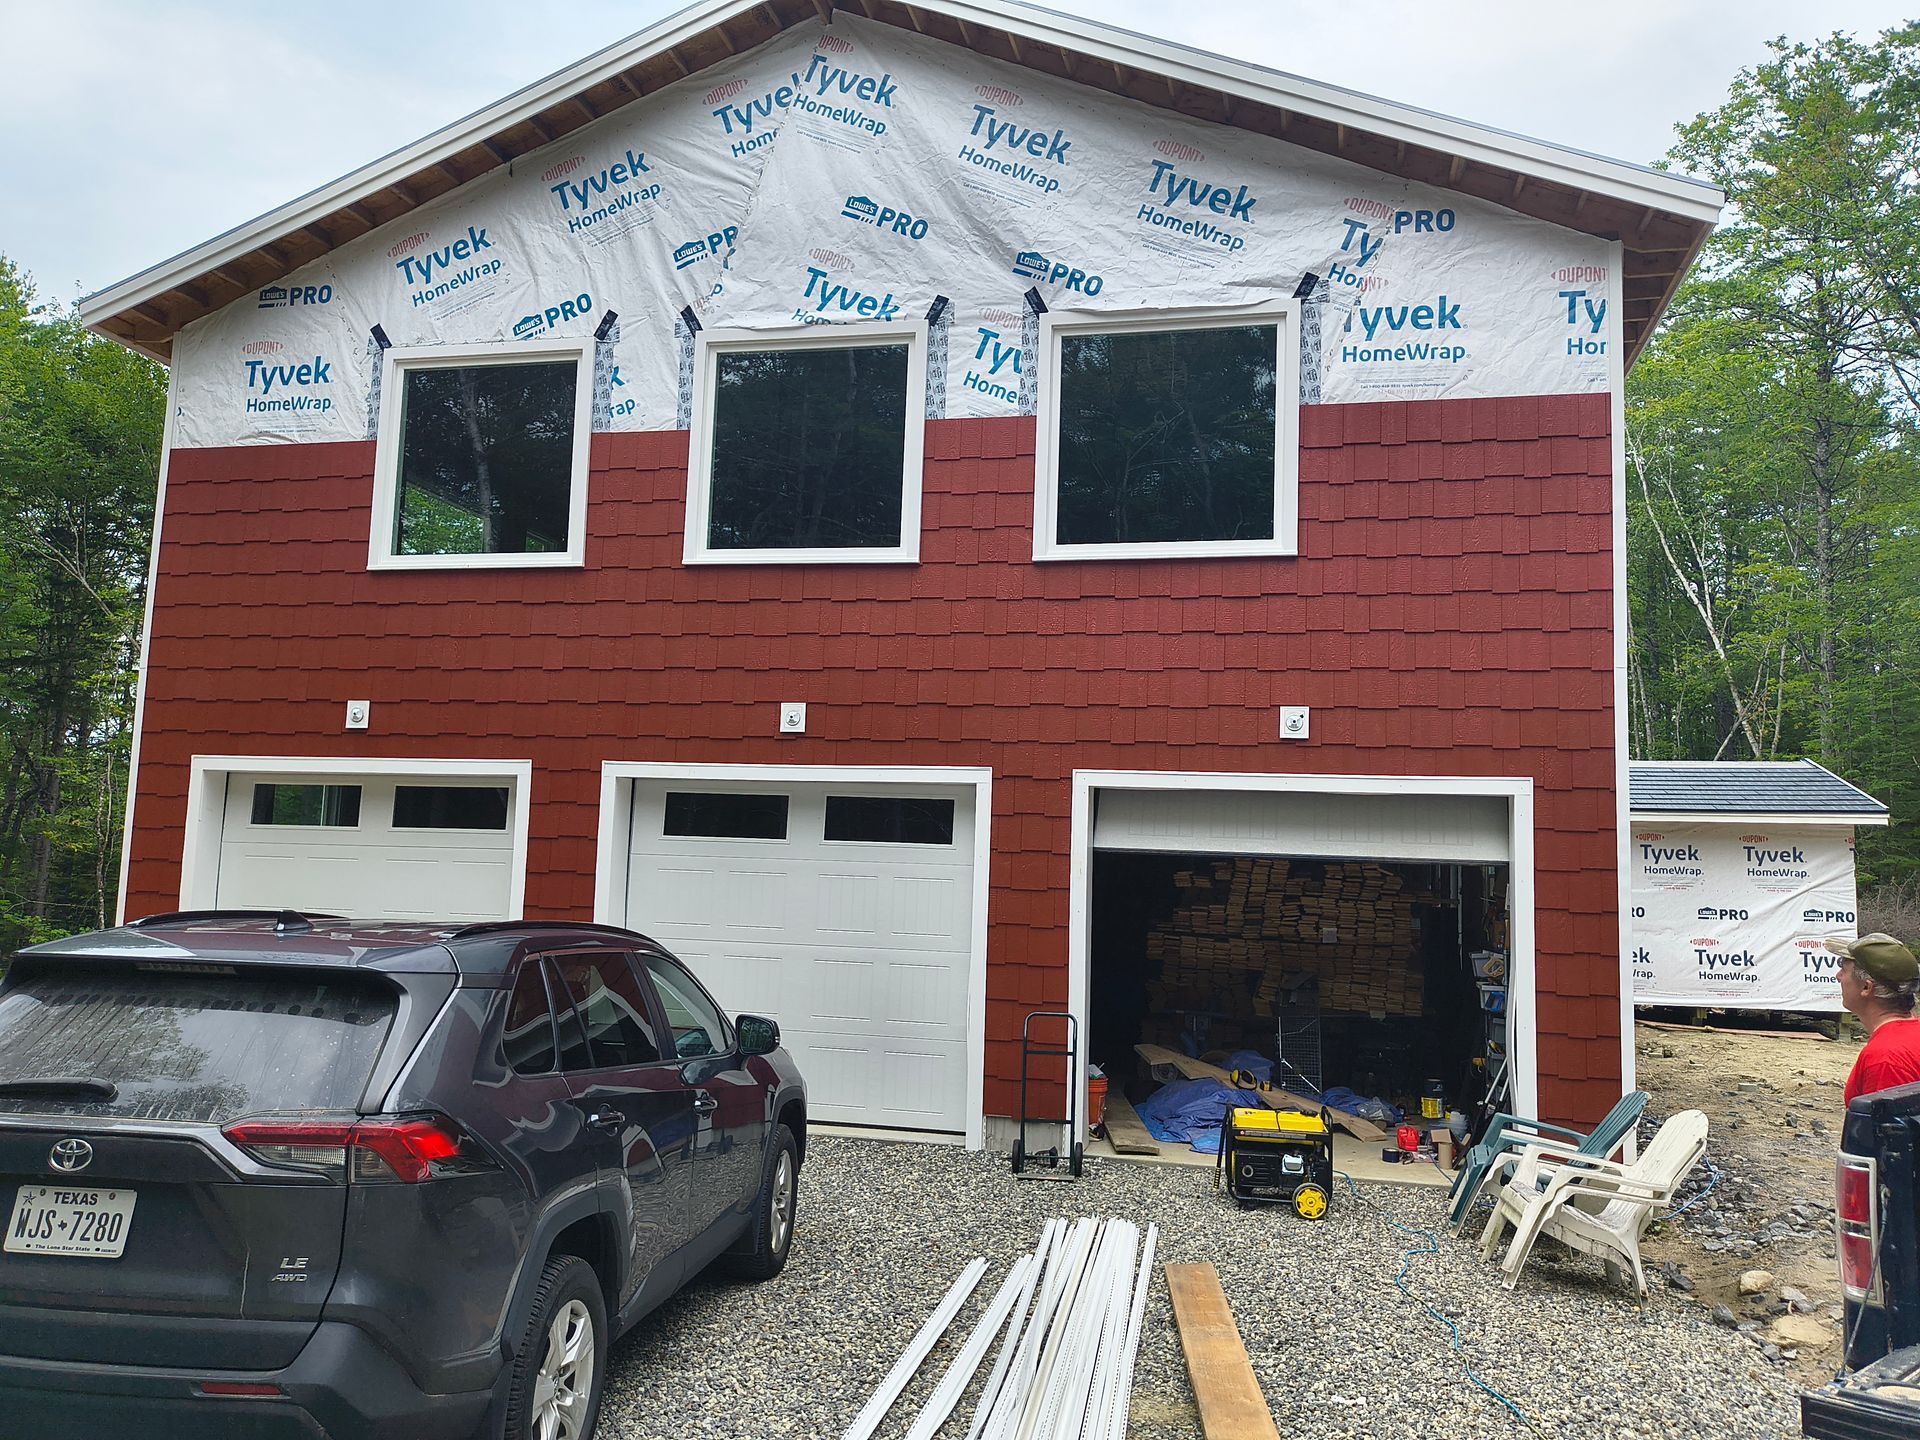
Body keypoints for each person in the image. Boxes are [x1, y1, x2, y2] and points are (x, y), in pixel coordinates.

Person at [1828, 932, 1920, 1106]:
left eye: (1844, 969)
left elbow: (1886, 1132)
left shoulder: (1885, 1059)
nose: (1838, 976)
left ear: (1866, 987)